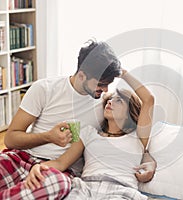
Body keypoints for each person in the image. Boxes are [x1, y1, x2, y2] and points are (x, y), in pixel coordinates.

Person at [0, 40, 155, 199]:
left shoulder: (103, 107)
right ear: (81, 75)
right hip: (23, 158)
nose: (106, 92)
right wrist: (48, 137)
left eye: (109, 84)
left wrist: (149, 160)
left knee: (55, 183)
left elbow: (143, 110)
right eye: (101, 84)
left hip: (60, 172)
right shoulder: (44, 88)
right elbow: (11, 139)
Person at [25, 69, 155, 199]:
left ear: (129, 113)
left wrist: (122, 73)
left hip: (121, 190)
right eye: (111, 99)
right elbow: (61, 163)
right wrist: (38, 167)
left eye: (119, 101)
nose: (110, 102)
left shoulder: (138, 136)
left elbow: (148, 99)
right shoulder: (88, 133)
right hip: (85, 188)